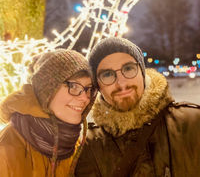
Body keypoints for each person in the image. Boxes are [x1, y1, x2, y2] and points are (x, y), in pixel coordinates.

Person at [75, 37, 200, 177]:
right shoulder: (89, 147)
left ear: (142, 72)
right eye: (108, 74)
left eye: (128, 68)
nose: (122, 84)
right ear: (98, 86)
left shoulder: (193, 123)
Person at [0, 49, 97, 177]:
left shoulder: (73, 144)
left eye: (88, 89)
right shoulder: (9, 146)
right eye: (73, 86)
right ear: (47, 90)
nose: (85, 98)